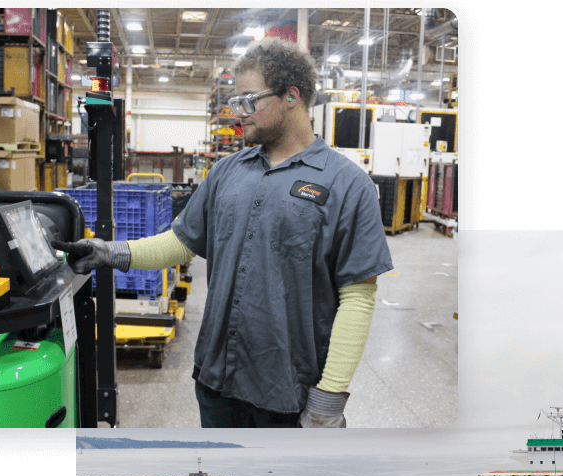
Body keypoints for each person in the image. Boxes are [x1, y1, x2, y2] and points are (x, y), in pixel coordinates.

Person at [55, 39, 394, 428]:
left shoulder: (348, 184)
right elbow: (182, 242)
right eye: (237, 102)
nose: (239, 114)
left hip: (288, 394)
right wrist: (109, 252)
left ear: (291, 97)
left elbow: (358, 297)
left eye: (249, 100)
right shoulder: (227, 172)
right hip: (217, 380)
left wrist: (329, 399)